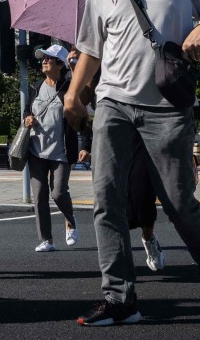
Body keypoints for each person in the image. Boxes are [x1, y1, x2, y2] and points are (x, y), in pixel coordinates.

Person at [65, 0, 200, 326]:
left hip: (167, 106)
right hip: (113, 104)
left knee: (177, 201)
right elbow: (90, 49)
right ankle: (121, 298)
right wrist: (73, 94)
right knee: (106, 200)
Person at [70, 47, 165, 272]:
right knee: (109, 198)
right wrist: (76, 72)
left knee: (143, 197)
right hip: (111, 132)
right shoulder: (96, 57)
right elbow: (85, 98)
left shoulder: (142, 49)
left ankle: (148, 238)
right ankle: (118, 267)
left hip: (144, 130)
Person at [25, 45, 85, 253]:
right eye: (42, 59)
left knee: (58, 193)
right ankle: (46, 239)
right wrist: (27, 119)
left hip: (61, 151)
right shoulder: (35, 87)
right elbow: (26, 112)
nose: (44, 62)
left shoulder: (68, 87)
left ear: (60, 64)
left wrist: (84, 145)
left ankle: (70, 221)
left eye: (49, 59)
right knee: (40, 194)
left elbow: (81, 114)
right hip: (36, 151)